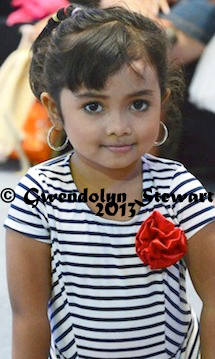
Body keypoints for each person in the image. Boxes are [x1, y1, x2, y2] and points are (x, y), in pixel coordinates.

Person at [4, 4, 215, 359]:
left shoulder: (179, 189)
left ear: (161, 102)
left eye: (138, 104)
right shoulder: (37, 196)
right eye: (93, 107)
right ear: (55, 109)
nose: (119, 126)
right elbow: (28, 317)